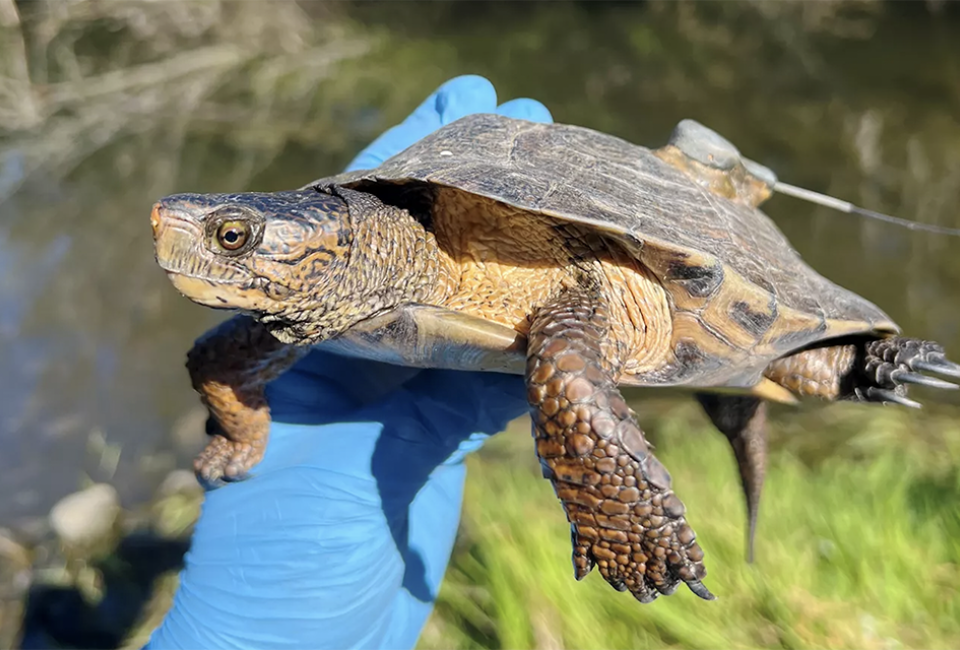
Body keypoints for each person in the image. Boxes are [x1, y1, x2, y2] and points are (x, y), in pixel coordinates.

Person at [145, 75, 554, 650]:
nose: (172, 243)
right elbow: (218, 365)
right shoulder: (294, 302)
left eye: (231, 236)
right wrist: (243, 433)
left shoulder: (456, 247)